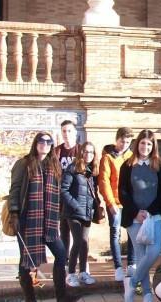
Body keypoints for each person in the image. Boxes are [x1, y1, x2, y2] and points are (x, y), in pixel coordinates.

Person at [8, 132, 67, 301]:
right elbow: (15, 189)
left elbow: (59, 192)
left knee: (61, 254)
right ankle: (30, 298)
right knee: (26, 261)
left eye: (49, 142)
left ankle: (62, 297)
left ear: (52, 146)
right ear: (36, 143)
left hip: (48, 222)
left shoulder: (54, 165)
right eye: (42, 141)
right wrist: (14, 213)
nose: (45, 144)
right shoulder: (23, 163)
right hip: (28, 220)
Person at [119, 129, 161, 302]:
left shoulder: (160, 166)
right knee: (141, 256)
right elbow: (123, 193)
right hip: (134, 218)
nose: (145, 147)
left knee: (154, 252)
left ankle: (132, 282)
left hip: (154, 216)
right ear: (137, 144)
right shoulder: (127, 166)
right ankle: (147, 294)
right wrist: (136, 212)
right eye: (142, 143)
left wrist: (148, 211)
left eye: (149, 144)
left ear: (153, 146)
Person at [60, 142, 99, 288]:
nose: (88, 154)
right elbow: (63, 190)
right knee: (77, 241)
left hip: (87, 212)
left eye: (91, 152)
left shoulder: (91, 171)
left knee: (84, 242)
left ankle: (83, 272)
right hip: (73, 213)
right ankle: (70, 274)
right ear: (81, 152)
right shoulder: (73, 168)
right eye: (86, 151)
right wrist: (76, 205)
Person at [98, 127, 134, 281]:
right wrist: (110, 202)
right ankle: (118, 266)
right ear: (116, 139)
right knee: (115, 233)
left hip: (129, 202)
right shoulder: (108, 158)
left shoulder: (132, 156)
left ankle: (132, 264)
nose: (124, 145)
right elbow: (104, 181)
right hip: (114, 202)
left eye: (127, 142)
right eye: (122, 141)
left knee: (132, 232)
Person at [54, 120, 79, 263]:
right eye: (64, 131)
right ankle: (65, 260)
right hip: (61, 196)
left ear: (75, 132)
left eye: (69, 131)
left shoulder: (81, 151)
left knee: (79, 232)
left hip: (76, 196)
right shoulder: (57, 152)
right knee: (63, 230)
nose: (66, 134)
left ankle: (81, 264)